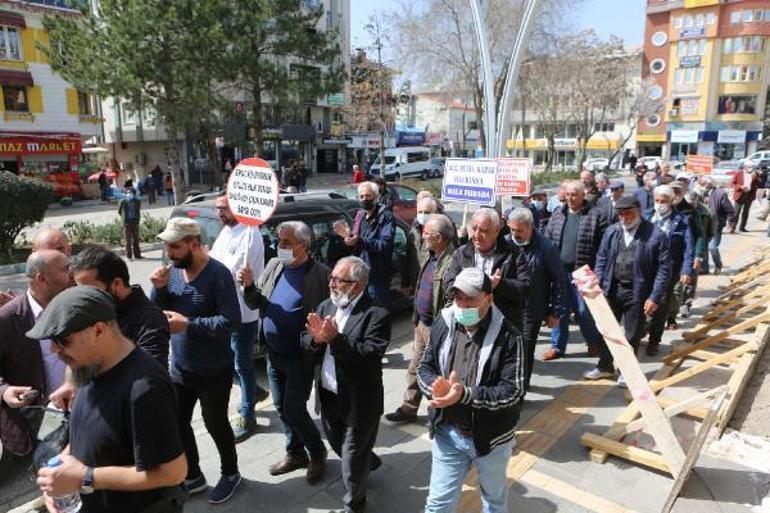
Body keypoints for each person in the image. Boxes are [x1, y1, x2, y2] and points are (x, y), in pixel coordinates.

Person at [32, 286, 187, 513]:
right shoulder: (87, 369)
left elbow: (173, 472)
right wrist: (59, 473)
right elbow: (86, 435)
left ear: (98, 330)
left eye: (63, 340)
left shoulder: (144, 388)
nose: (55, 349)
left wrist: (86, 477)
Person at [418, 267, 525, 513]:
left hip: (492, 440)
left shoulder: (510, 337)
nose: (463, 305)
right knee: (437, 505)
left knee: (494, 503)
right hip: (449, 434)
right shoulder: (443, 324)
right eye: (458, 298)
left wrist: (465, 395)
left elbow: (513, 392)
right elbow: (425, 368)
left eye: (470, 299)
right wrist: (437, 390)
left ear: (489, 298)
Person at [150, 218, 242, 504]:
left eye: (175, 247)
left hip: (214, 369)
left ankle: (231, 474)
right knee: (177, 422)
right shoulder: (173, 272)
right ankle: (194, 475)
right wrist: (158, 289)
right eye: (166, 246)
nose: (170, 253)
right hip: (180, 367)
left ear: (193, 243)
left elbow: (230, 321)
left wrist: (189, 324)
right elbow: (159, 314)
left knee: (216, 423)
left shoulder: (218, 275)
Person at [239, 221, 330, 483]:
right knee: (280, 406)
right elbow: (257, 303)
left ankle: (317, 452)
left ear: (303, 245)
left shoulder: (320, 275)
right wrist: (249, 287)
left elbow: (327, 314)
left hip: (300, 357)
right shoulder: (274, 266)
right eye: (278, 241)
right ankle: (295, 452)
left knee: (294, 409)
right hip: (273, 353)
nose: (280, 246)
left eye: (286, 242)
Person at [302, 256, 391, 513]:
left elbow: (370, 355)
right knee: (338, 444)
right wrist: (317, 340)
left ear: (358, 284)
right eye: (332, 278)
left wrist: (336, 340)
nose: (332, 284)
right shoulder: (325, 307)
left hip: (358, 401)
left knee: (351, 460)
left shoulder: (377, 315)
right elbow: (305, 339)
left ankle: (354, 505)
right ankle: (368, 461)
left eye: (339, 280)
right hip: (329, 396)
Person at [587, 196, 669, 384]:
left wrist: (654, 297)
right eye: (621, 214)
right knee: (606, 330)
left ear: (639, 211)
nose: (624, 218)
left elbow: (664, 269)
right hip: (611, 288)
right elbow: (601, 257)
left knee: (632, 334)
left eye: (628, 213)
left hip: (637, 292)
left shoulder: (655, 235)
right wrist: (597, 279)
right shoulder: (612, 231)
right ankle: (605, 366)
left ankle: (628, 371)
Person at [0, 250, 71, 461]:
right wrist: (4, 391)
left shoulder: (75, 304)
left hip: (81, 405)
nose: (72, 274)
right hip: (44, 417)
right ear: (42, 278)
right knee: (50, 465)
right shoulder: (7, 319)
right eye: (65, 269)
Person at [386, 214, 456, 424]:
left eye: (428, 233)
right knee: (414, 368)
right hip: (422, 324)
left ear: (441, 238)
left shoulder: (453, 260)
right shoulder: (430, 254)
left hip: (438, 328)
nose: (423, 236)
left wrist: (440, 328)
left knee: (434, 372)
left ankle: (442, 412)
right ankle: (409, 408)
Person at [209, 192, 267, 442]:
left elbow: (229, 272)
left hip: (244, 311)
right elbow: (212, 261)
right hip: (223, 309)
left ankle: (247, 415)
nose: (219, 213)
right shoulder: (226, 231)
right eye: (217, 208)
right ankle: (253, 391)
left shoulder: (250, 232)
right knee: (227, 362)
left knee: (241, 363)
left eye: (224, 208)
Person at [70, 245, 170, 368]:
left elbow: (151, 375)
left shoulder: (149, 319)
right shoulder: (97, 311)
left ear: (116, 284)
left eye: (91, 291)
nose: (85, 298)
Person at [543, 180, 606, 360]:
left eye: (574, 195)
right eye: (568, 195)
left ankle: (593, 342)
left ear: (583, 195)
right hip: (559, 272)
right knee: (559, 309)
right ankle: (557, 347)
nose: (570, 199)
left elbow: (603, 247)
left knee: (584, 311)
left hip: (584, 272)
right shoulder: (557, 214)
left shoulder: (595, 215)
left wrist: (598, 272)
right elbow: (547, 240)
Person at [443, 208, 531, 329]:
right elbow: (448, 285)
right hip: (467, 324)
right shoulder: (461, 253)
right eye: (474, 229)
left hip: (501, 326)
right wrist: (468, 286)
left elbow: (526, 288)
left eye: (483, 231)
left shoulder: (513, 253)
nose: (477, 235)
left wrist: (499, 284)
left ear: (496, 231)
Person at [507, 208, 564, 389]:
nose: (515, 234)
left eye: (519, 231)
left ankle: (521, 388)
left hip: (532, 309)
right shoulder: (506, 243)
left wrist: (555, 311)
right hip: (507, 306)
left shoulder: (547, 248)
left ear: (530, 228)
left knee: (525, 349)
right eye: (512, 230)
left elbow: (559, 282)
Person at [646, 185, 693, 354]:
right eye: (657, 200)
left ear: (672, 201)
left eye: (663, 201)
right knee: (641, 302)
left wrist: (687, 270)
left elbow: (689, 247)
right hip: (645, 268)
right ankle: (642, 329)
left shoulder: (681, 221)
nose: (659, 204)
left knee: (662, 304)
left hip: (669, 269)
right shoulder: (646, 217)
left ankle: (654, 341)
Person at [333, 181, 395, 307]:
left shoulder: (386, 216)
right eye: (361, 196)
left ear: (376, 197)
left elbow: (385, 245)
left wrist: (358, 241)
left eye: (368, 196)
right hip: (358, 275)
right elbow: (356, 238)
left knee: (376, 310)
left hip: (376, 276)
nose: (364, 199)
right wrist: (348, 237)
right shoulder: (360, 215)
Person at [701, 175, 735, 274]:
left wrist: (730, 223)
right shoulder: (701, 194)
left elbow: (730, 210)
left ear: (710, 184)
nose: (703, 186)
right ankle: (704, 268)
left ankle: (718, 265)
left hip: (716, 225)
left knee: (712, 247)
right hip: (703, 224)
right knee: (703, 247)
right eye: (702, 184)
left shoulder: (720, 194)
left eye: (704, 184)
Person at [730, 163, 760, 233]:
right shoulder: (738, 173)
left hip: (749, 195)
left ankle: (742, 227)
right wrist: (740, 187)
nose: (750, 168)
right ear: (744, 167)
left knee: (746, 212)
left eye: (751, 167)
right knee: (736, 212)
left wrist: (754, 184)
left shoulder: (755, 174)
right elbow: (733, 183)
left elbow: (758, 183)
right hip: (740, 194)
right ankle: (732, 227)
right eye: (749, 167)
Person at [118, 187, 142, 261]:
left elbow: (138, 211)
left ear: (134, 194)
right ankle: (129, 256)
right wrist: (124, 218)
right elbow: (119, 211)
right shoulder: (123, 201)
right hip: (127, 223)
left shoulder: (137, 201)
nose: (129, 194)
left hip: (135, 222)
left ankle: (137, 255)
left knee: (136, 239)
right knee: (128, 240)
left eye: (131, 193)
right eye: (128, 193)